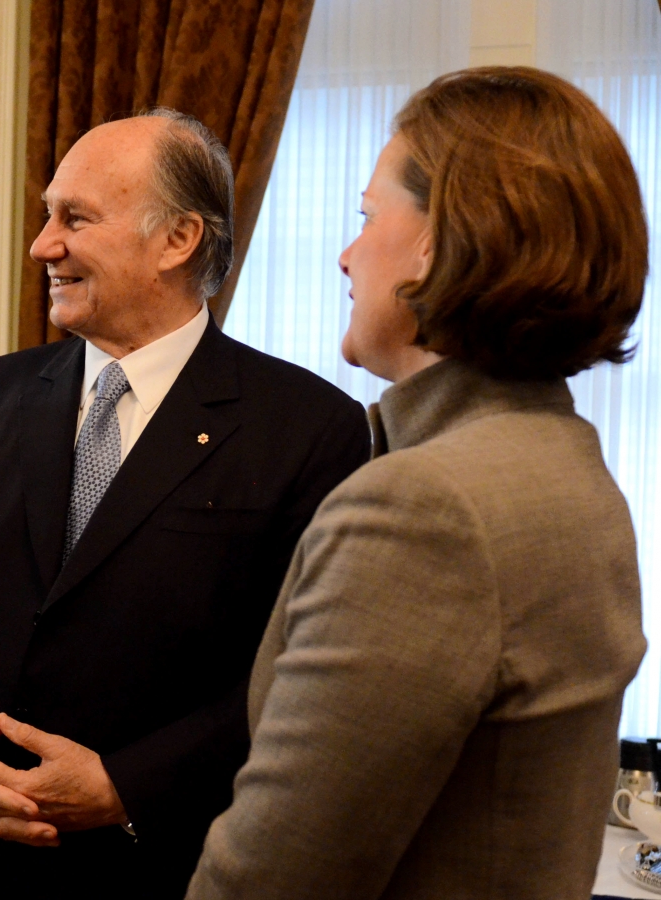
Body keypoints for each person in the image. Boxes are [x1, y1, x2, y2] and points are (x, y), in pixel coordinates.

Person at [0, 109, 371, 899]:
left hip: (160, 868)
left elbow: (302, 675)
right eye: (45, 216)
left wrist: (128, 785)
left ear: (178, 239)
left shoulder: (307, 427)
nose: (43, 246)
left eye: (76, 218)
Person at [186, 67, 648, 900]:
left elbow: (275, 875)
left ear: (441, 240)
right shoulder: (565, 463)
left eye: (367, 218)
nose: (346, 254)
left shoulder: (423, 508)